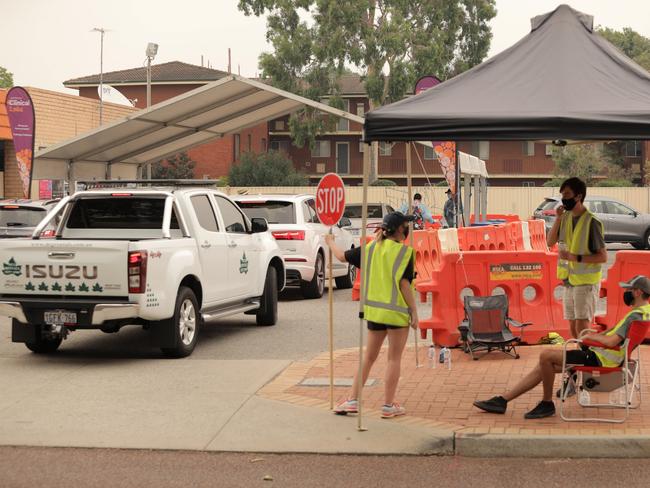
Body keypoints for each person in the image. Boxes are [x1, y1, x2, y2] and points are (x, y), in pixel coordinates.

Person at [473, 275, 650, 419]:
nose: (626, 292)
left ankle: (547, 403)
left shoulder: (634, 315)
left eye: (629, 289)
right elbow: (616, 336)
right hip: (607, 357)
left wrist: (590, 337)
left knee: (546, 356)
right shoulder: (643, 312)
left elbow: (612, 342)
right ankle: (502, 400)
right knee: (545, 365)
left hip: (601, 360)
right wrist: (596, 335)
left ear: (638, 292)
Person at [325, 211, 419, 419]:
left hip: (374, 313)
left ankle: (352, 400)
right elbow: (405, 286)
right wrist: (414, 312)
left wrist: (330, 241)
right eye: (407, 226)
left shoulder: (369, 249)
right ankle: (387, 406)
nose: (409, 229)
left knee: (368, 357)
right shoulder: (405, 253)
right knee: (393, 359)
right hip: (396, 315)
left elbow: (341, 256)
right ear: (400, 230)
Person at [547, 177, 607, 339]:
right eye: (562, 194)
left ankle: (588, 357)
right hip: (569, 281)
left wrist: (575, 257)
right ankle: (581, 355)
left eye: (567, 194)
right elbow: (550, 241)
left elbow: (602, 256)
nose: (563, 198)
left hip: (587, 282)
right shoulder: (565, 218)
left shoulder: (591, 222)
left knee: (582, 324)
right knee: (573, 325)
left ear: (578, 196)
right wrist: (558, 218)